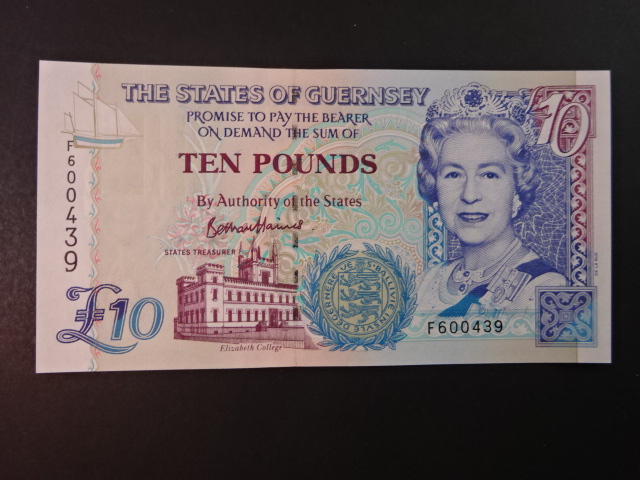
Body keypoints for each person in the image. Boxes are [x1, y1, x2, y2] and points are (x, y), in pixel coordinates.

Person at [416, 114, 566, 318]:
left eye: (489, 175)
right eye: (453, 174)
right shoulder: (427, 281)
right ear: (435, 187)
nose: (469, 195)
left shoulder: (546, 289)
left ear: (517, 187)